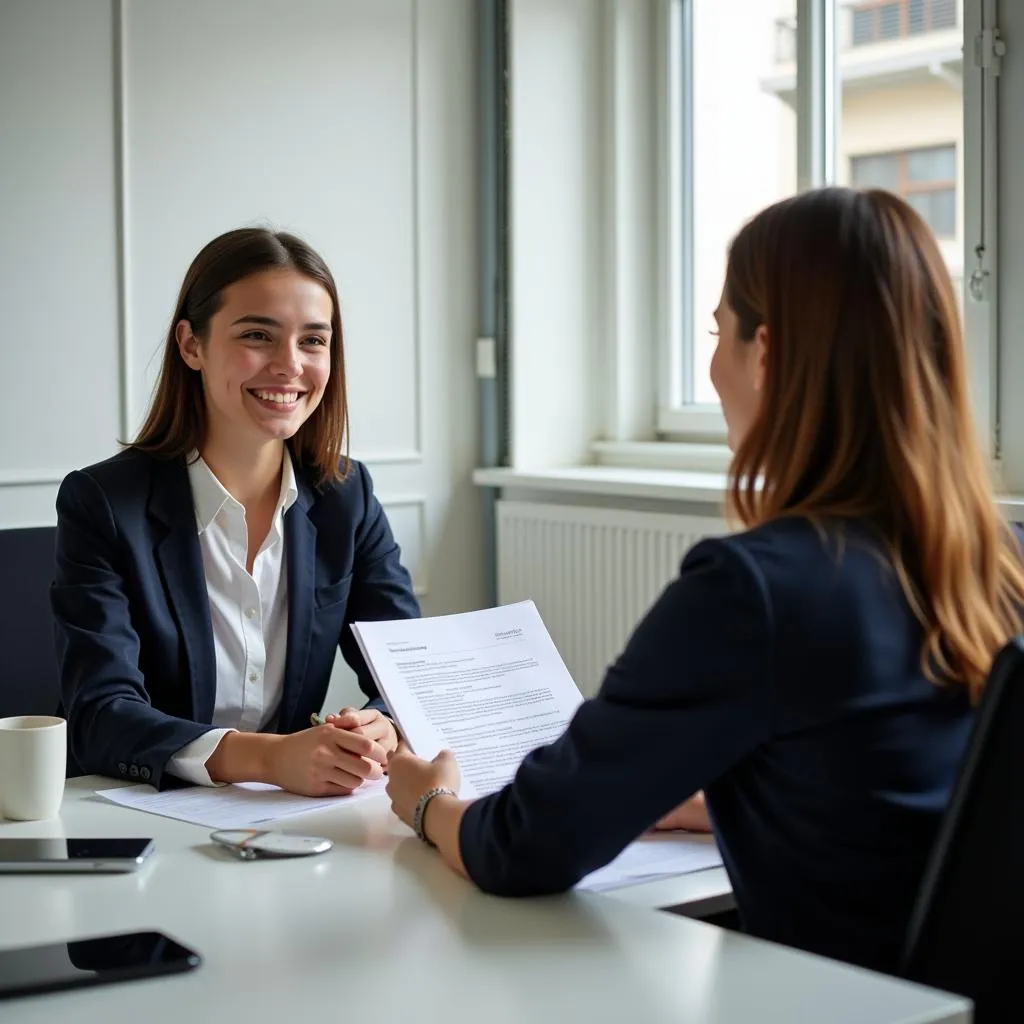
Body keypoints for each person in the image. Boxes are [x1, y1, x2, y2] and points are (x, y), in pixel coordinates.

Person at [385, 187, 1024, 973]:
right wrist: (717, 805)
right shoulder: (1003, 562)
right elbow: (905, 806)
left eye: (718, 333)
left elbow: (523, 845)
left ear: (770, 352)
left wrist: (428, 802)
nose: (713, 366)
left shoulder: (756, 589)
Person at [51, 228, 419, 794]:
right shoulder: (102, 503)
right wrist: (268, 759)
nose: (290, 365)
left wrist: (384, 726)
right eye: (257, 335)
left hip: (289, 822)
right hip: (143, 814)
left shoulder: (347, 495)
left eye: (313, 341)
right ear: (191, 345)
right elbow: (100, 715)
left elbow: (408, 671)